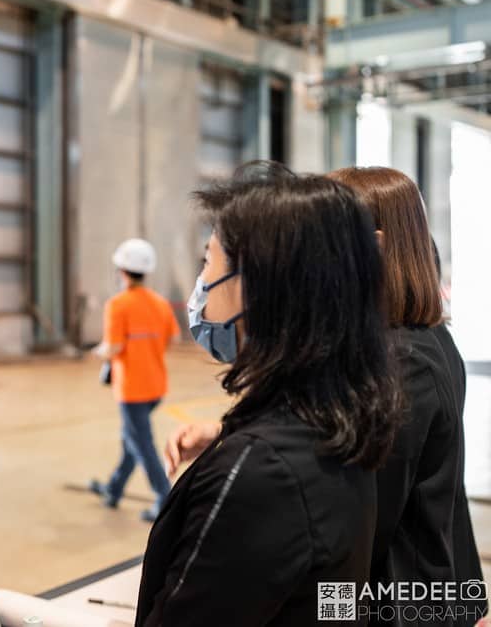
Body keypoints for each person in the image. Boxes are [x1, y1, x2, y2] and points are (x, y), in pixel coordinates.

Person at [136, 163, 404, 626]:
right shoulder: (343, 418)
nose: (202, 288)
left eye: (208, 263)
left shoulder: (261, 474)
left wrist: (242, 455)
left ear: (253, 287)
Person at [329, 166, 485, 626]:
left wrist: (320, 613)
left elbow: (360, 528)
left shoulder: (401, 363)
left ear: (373, 247)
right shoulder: (424, 337)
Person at [88, 239, 180, 522]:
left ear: (122, 270)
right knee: (131, 438)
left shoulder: (118, 305)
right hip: (155, 386)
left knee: (141, 443)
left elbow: (113, 347)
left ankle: (164, 497)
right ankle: (114, 489)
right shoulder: (160, 303)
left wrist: (96, 353)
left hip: (131, 389)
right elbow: (173, 338)